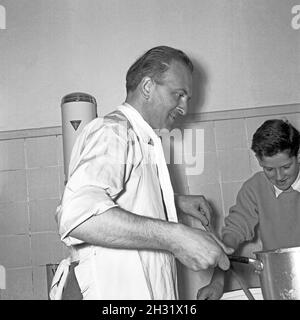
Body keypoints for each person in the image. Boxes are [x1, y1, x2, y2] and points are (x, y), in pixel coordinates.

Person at [50, 46, 233, 300]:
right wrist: (177, 237)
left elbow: (125, 197)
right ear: (147, 87)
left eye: (186, 99)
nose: (184, 108)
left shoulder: (143, 139)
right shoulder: (113, 132)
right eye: (178, 94)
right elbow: (78, 215)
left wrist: (174, 202)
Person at [197, 118, 300, 300]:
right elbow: (233, 235)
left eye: (286, 167)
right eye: (269, 169)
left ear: (298, 155)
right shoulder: (255, 187)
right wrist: (217, 282)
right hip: (279, 285)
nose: (278, 176)